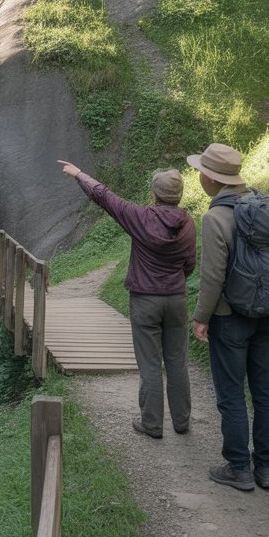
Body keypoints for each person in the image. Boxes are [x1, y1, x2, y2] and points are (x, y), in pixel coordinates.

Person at [58, 161, 197, 438]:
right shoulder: (188, 223)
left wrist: (79, 174)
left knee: (149, 363)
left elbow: (104, 196)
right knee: (177, 360)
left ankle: (152, 424)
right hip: (176, 298)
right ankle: (181, 422)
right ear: (179, 195)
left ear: (154, 194)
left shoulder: (140, 217)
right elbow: (189, 264)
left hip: (146, 299)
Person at [188, 143, 269, 492]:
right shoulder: (263, 206)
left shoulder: (215, 218)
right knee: (265, 390)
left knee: (231, 392)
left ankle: (239, 467)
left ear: (210, 178)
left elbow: (213, 276)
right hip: (268, 313)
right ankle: (266, 469)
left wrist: (200, 317)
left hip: (230, 317)